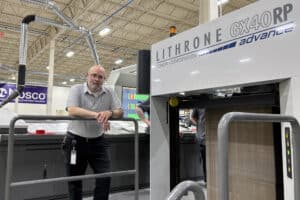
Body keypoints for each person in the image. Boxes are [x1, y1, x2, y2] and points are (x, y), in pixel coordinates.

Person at [63, 65, 123, 200]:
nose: (96, 79)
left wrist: (110, 112)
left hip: (98, 142)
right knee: (75, 180)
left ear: (104, 79)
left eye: (100, 77)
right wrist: (99, 116)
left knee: (104, 176)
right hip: (75, 142)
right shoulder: (76, 89)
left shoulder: (109, 91)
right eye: (94, 75)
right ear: (87, 76)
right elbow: (72, 110)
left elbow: (120, 111)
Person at [190, 108, 206, 183]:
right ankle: (207, 179)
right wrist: (199, 124)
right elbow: (192, 117)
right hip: (202, 138)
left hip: (209, 136)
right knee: (205, 161)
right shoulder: (198, 105)